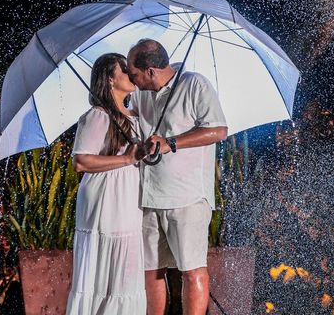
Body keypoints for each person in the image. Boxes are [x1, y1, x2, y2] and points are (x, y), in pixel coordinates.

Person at [126, 39, 228, 315]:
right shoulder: (140, 94)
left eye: (133, 73)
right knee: (151, 272)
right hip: (147, 196)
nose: (130, 79)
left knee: (191, 269)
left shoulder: (194, 84)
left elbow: (218, 130)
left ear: (150, 70)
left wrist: (171, 142)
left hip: (187, 197)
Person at [66, 53, 147, 315]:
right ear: (110, 78)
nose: (131, 73)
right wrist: (125, 158)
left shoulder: (134, 116)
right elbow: (81, 161)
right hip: (106, 198)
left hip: (128, 198)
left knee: (125, 268)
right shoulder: (98, 116)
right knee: (107, 261)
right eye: (124, 70)